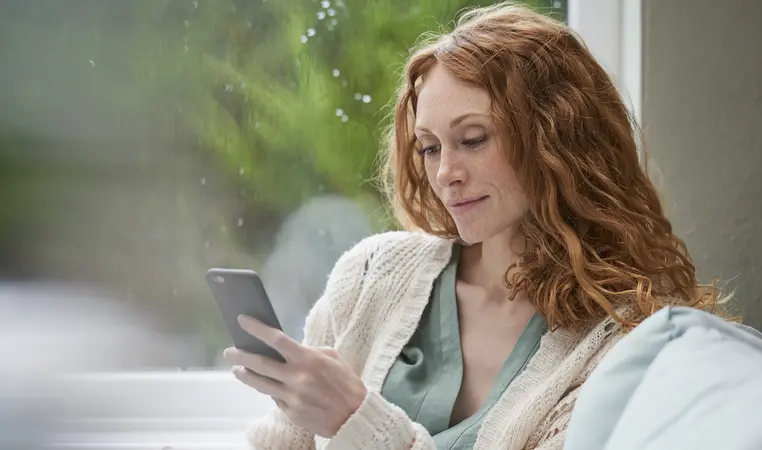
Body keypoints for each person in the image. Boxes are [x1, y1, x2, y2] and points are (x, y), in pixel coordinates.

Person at [223, 2, 726, 449]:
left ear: (557, 141)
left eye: (474, 139)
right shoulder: (370, 277)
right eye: (430, 147)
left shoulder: (617, 340)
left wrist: (358, 421)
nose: (446, 174)